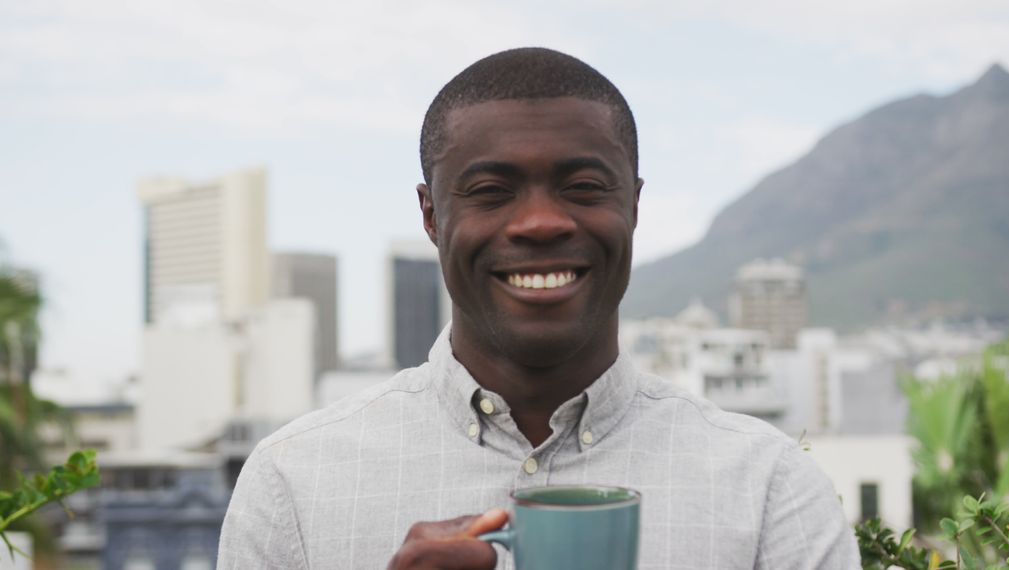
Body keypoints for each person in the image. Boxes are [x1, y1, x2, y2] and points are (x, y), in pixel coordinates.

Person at [217, 48, 860, 569]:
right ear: (432, 216)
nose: (541, 222)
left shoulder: (771, 488)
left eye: (582, 187)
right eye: (492, 192)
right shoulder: (293, 484)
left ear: (633, 206)